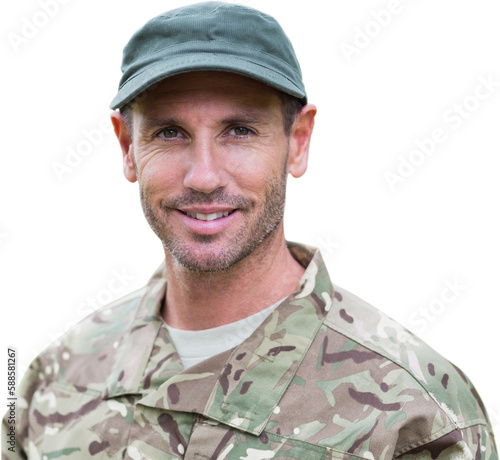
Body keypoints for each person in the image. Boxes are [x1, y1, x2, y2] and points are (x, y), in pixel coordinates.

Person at [2, 2, 497, 459]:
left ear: (297, 142)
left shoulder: (418, 418)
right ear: (127, 147)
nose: (204, 176)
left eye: (239, 130)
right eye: (169, 132)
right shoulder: (56, 378)